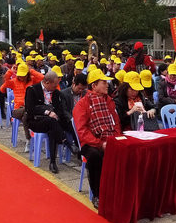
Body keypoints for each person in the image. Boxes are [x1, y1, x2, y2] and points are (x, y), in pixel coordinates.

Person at [73, 67, 119, 201]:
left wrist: (116, 138)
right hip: (91, 142)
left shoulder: (108, 101)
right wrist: (100, 143)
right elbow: (82, 131)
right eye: (103, 82)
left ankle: (119, 188)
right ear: (94, 85)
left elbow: (115, 122)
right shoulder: (82, 105)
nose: (107, 85)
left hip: (109, 137)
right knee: (95, 156)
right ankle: (97, 195)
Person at [23, 71, 79, 174]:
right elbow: (30, 109)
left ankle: (54, 161)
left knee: (66, 123)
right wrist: (47, 112)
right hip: (36, 121)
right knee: (52, 122)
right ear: (47, 82)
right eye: (54, 85)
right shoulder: (32, 90)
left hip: (53, 122)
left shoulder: (56, 92)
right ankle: (66, 143)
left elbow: (60, 109)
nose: (56, 87)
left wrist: (57, 114)